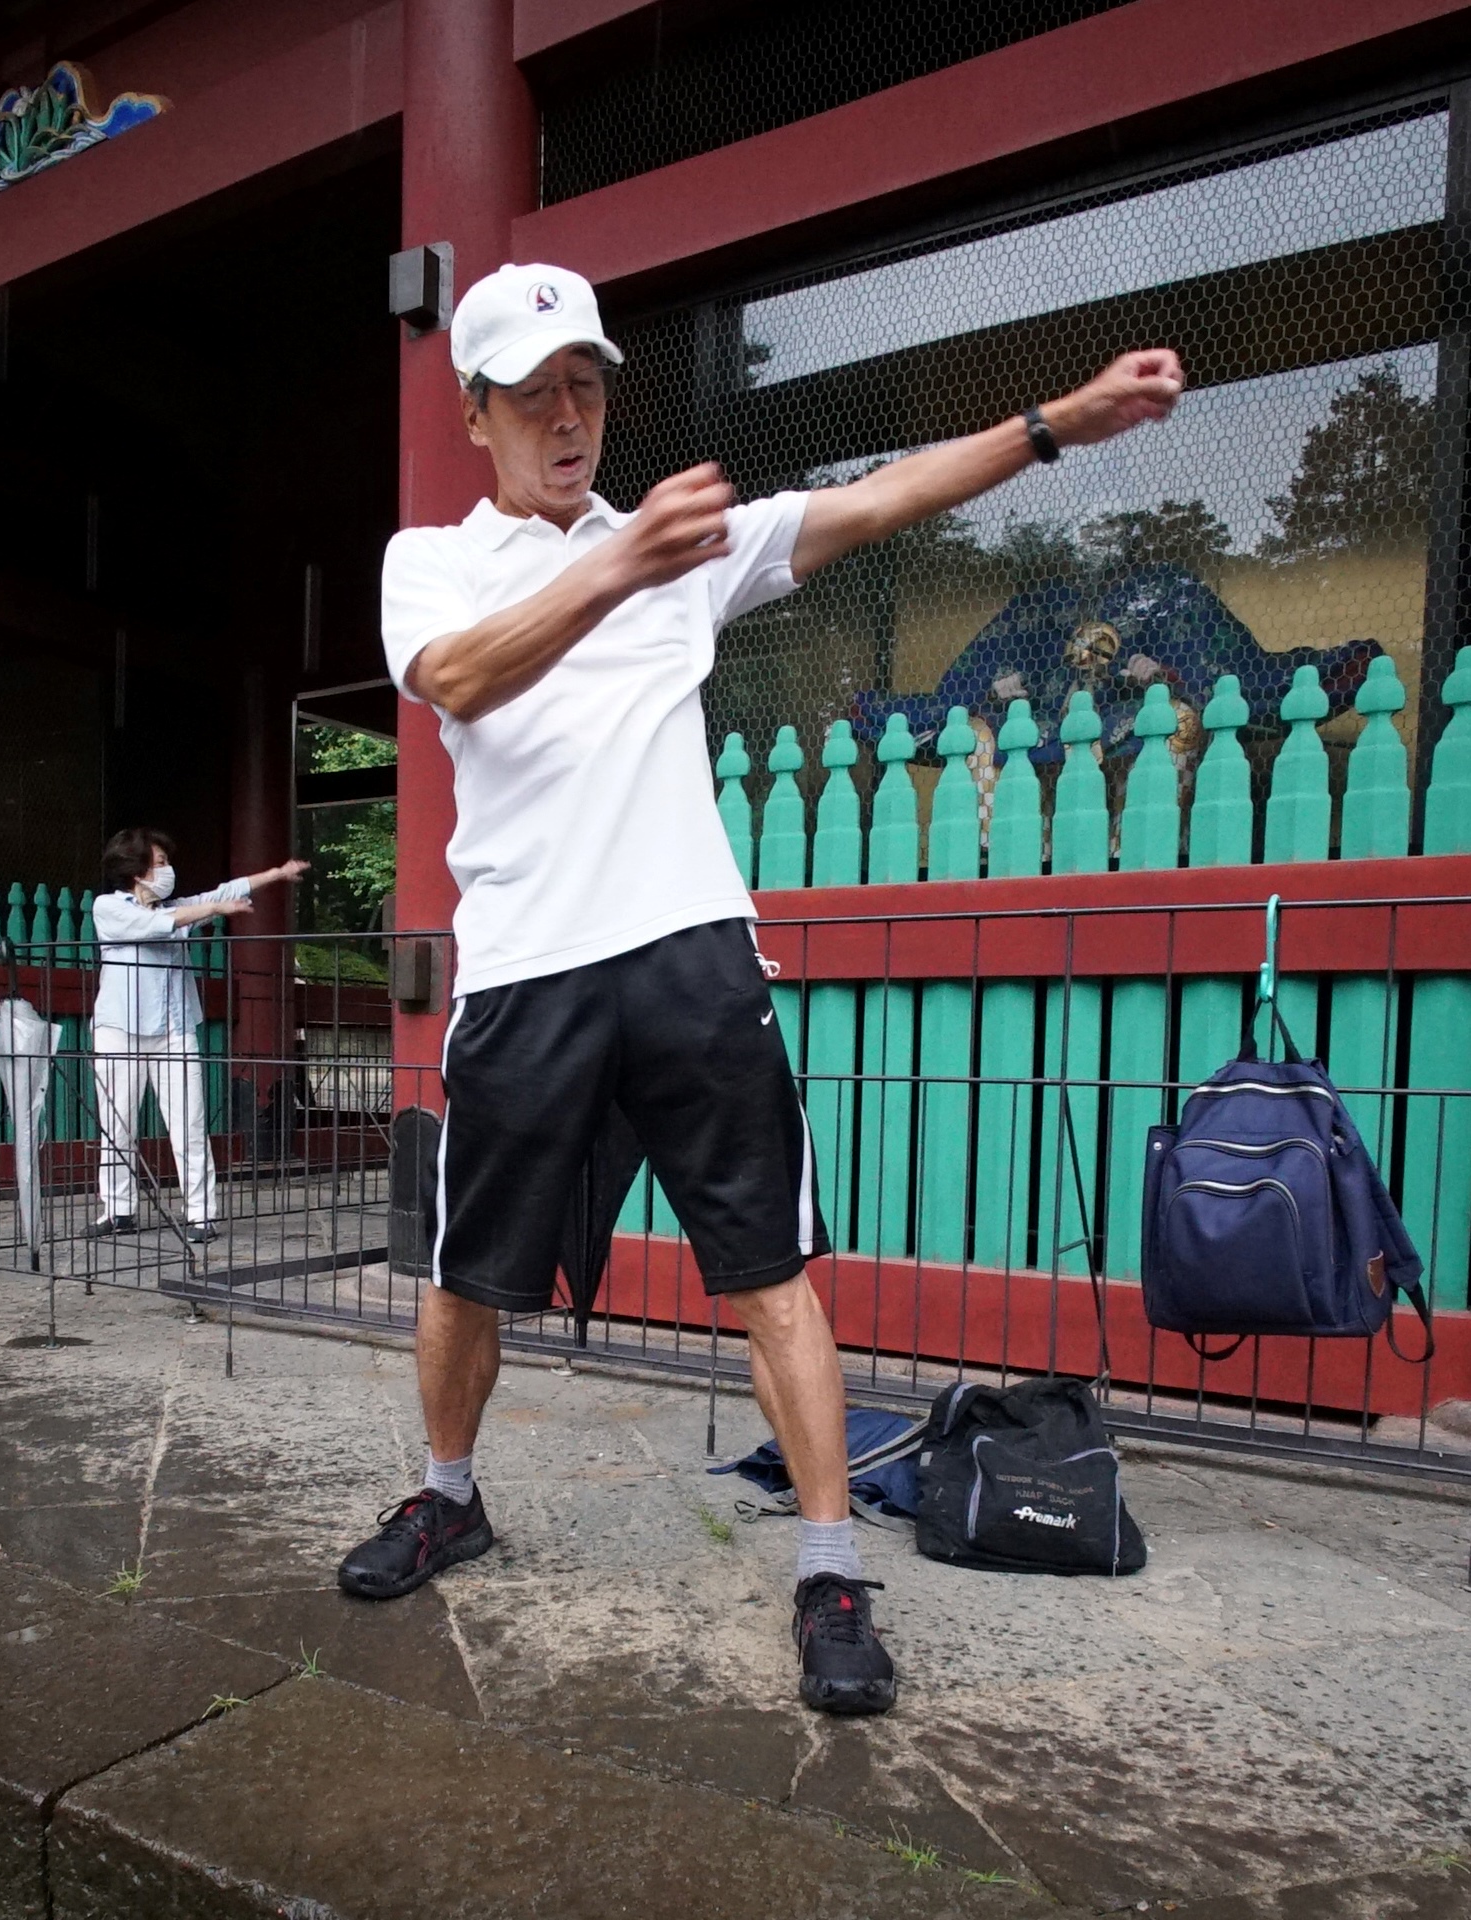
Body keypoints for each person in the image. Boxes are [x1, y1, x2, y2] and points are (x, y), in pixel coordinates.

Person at [337, 259, 1183, 1717]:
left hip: (687, 951)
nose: (566, 416)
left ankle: (827, 1566)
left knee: (771, 1275)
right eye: (533, 393)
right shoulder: (436, 559)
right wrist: (617, 565)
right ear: (474, 412)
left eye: (586, 388)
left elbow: (877, 501)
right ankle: (445, 1495)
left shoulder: (686, 546)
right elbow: (458, 679)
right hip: (525, 970)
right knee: (461, 1275)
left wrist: (1054, 427)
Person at [86, 831, 306, 1245]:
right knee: (117, 1125)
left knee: (189, 1122)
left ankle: (201, 1214)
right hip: (118, 1030)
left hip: (174, 1029)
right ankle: (117, 1210)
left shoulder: (177, 906)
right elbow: (156, 925)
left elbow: (222, 892)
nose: (167, 870)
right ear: (134, 870)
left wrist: (275, 874)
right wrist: (216, 907)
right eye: (158, 862)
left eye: (167, 860)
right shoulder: (109, 908)